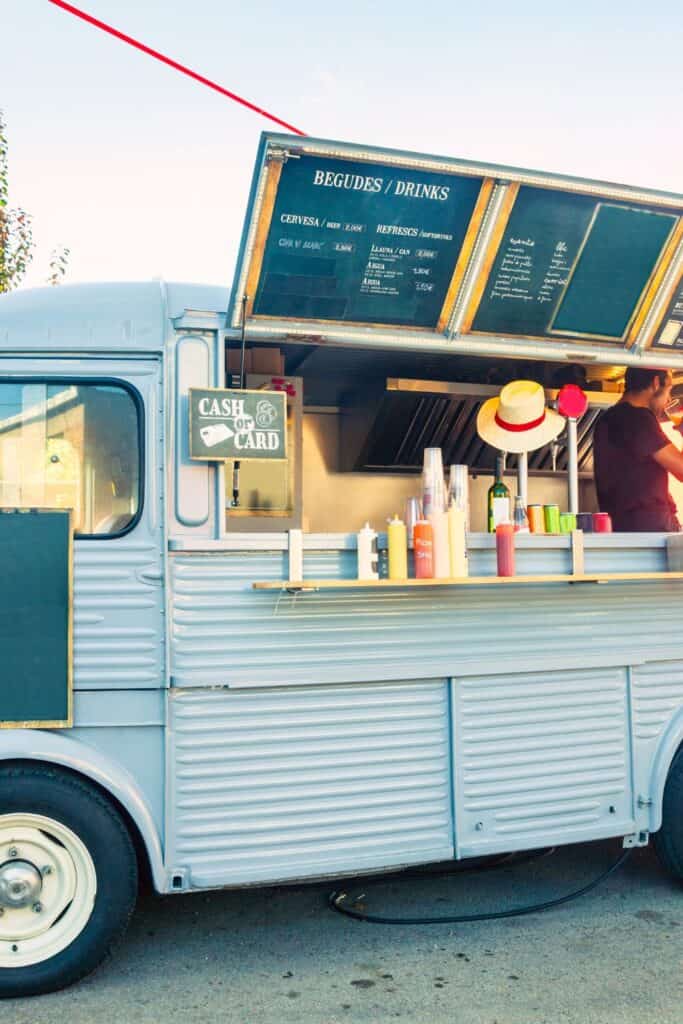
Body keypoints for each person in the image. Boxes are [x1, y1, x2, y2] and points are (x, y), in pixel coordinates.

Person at [593, 367, 683, 532]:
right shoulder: (639, 418)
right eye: (669, 390)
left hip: (622, 529)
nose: (669, 399)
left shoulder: (606, 419)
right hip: (651, 531)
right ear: (656, 383)